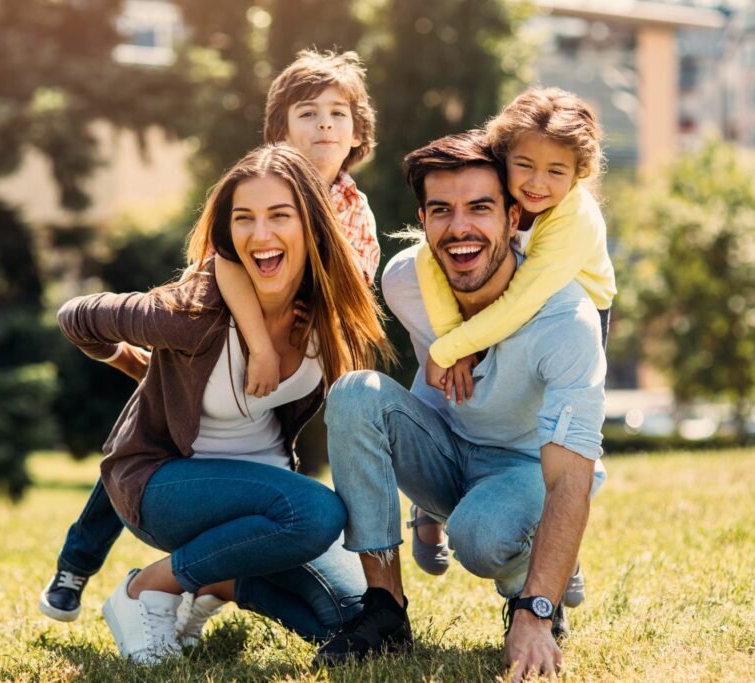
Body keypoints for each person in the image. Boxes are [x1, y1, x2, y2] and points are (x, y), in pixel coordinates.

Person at [38, 49, 382, 627]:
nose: (325, 124)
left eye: (338, 114)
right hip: (187, 426)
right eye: (308, 113)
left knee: (347, 618)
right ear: (278, 133)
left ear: (357, 132)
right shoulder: (249, 202)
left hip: (260, 451)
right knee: (146, 421)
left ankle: (209, 586)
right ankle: (102, 571)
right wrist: (258, 341)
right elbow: (225, 261)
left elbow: (351, 291)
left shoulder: (352, 210)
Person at [313, 132, 607, 682]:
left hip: (526, 470)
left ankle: (536, 583)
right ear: (422, 219)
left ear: (514, 216)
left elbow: (571, 478)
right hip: (448, 453)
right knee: (355, 392)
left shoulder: (567, 319)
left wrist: (535, 612)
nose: (460, 228)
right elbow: (427, 385)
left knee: (481, 535)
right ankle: (384, 612)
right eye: (442, 211)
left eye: (480, 208)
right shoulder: (405, 282)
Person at [407, 87, 616, 585]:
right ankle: (428, 509)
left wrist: (452, 347)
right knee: (435, 396)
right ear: (504, 159)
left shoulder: (574, 220)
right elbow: (424, 256)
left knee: (549, 433)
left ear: (579, 174)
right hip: (502, 306)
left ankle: (551, 544)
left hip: (565, 315)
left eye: (556, 172)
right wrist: (452, 338)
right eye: (524, 165)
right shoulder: (497, 191)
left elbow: (525, 300)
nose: (536, 184)